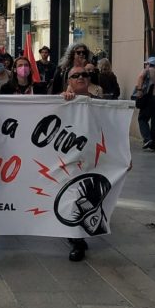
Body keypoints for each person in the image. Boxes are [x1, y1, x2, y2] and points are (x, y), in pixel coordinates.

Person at [59, 65, 103, 261]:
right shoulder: (62, 102)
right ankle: (76, 240)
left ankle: (80, 235)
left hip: (92, 158)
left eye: (84, 74)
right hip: (69, 160)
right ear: (68, 81)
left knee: (89, 198)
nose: (81, 78)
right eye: (75, 75)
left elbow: (113, 129)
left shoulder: (100, 104)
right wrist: (63, 99)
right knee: (72, 199)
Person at [135, 57, 155, 151]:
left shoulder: (147, 70)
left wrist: (139, 90)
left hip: (149, 98)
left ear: (148, 64)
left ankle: (147, 139)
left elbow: (140, 77)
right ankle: (153, 144)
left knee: (142, 118)